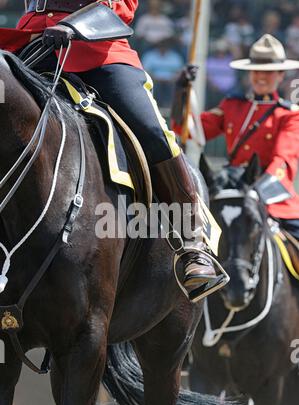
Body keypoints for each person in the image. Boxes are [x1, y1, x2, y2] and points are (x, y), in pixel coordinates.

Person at [12, 0, 221, 298]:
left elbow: (121, 5)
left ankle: (192, 239)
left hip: (96, 48)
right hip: (32, 44)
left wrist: (73, 25)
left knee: (151, 131)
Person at [173, 34, 299, 240]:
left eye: (268, 72)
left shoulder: (289, 115)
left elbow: (282, 163)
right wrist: (181, 92)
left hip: (270, 196)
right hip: (229, 191)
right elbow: (186, 128)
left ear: (280, 74)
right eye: (256, 70)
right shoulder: (232, 106)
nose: (260, 77)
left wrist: (255, 193)